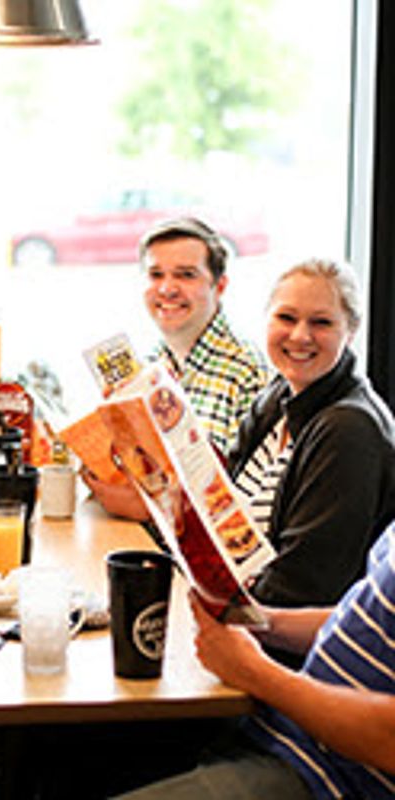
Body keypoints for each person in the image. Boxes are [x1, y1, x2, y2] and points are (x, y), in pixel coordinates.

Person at [113, 520, 395, 800]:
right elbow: (364, 619)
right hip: (280, 733)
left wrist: (253, 672)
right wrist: (262, 622)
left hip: (328, 776)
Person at [229, 258, 395, 610]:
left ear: (350, 332)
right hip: (241, 615)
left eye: (321, 323)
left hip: (293, 650)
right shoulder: (278, 396)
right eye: (286, 318)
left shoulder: (349, 431)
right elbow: (219, 508)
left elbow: (301, 589)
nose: (300, 336)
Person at [84, 217, 269, 519]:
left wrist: (151, 509)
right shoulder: (150, 363)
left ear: (219, 286)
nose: (167, 289)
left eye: (186, 275)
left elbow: (246, 509)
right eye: (156, 274)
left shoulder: (247, 373)